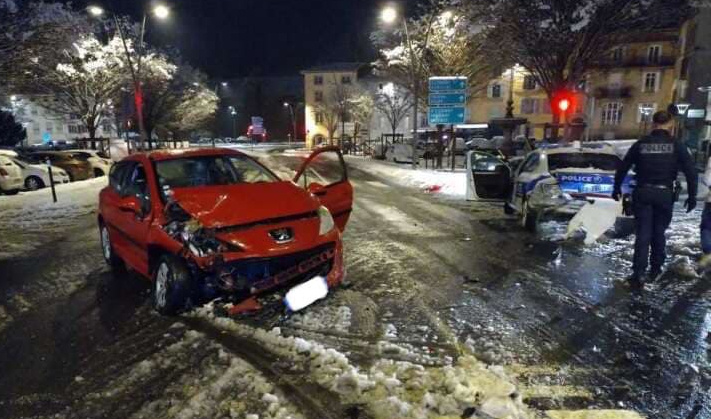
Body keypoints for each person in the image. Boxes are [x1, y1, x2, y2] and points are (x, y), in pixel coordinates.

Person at [613, 110, 698, 287]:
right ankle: (656, 269)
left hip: (642, 192)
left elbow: (623, 166)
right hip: (664, 194)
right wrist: (692, 196)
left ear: (653, 124)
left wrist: (616, 188)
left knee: (643, 233)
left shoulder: (641, 144)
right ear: (671, 124)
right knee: (658, 232)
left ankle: (638, 274)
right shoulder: (676, 145)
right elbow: (691, 172)